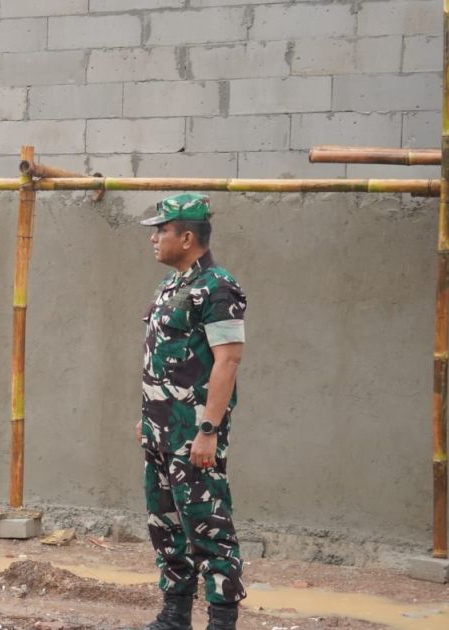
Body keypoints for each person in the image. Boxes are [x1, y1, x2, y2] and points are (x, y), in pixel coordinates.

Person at [135, 193, 247, 630]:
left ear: (186, 236)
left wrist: (208, 429)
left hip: (193, 433)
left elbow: (229, 360)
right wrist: (147, 417)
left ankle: (221, 621)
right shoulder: (171, 286)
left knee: (209, 527)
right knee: (165, 526)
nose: (154, 239)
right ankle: (174, 615)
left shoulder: (218, 287)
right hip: (159, 431)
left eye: (160, 231)